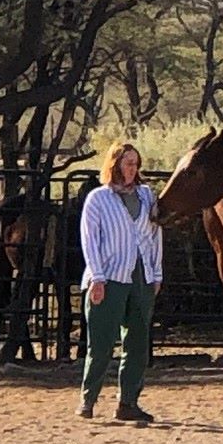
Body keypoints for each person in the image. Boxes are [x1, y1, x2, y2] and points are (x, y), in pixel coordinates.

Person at [78, 141, 164, 422]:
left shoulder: (147, 196)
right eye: (128, 163)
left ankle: (128, 402)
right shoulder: (98, 199)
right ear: (115, 164)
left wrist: (157, 273)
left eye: (136, 163)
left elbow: (155, 236)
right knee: (101, 344)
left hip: (141, 277)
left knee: (138, 343)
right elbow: (89, 240)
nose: (133, 168)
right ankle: (88, 399)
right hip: (110, 276)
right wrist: (97, 277)